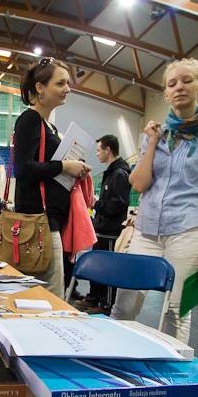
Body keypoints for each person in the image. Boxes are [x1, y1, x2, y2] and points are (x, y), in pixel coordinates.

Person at [111, 59, 198, 344]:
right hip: (147, 229)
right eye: (172, 84)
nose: (179, 88)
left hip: (189, 229)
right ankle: (112, 354)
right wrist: (151, 142)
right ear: (165, 93)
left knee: (177, 309)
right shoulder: (155, 135)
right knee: (125, 302)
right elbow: (139, 184)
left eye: (186, 81)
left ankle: (173, 371)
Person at [13, 58, 91, 297]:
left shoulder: (50, 126)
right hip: (38, 221)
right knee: (49, 298)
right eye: (60, 83)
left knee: (45, 297)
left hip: (48, 221)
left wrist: (72, 168)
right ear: (40, 88)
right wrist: (64, 165)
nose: (67, 89)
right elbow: (23, 169)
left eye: (67, 83)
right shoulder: (30, 119)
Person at [76, 134, 131, 313]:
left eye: (99, 150)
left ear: (108, 150)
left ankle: (106, 304)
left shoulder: (119, 174)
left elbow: (118, 204)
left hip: (110, 230)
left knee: (107, 269)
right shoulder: (111, 172)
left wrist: (96, 204)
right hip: (102, 228)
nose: (97, 154)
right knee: (98, 268)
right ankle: (94, 298)